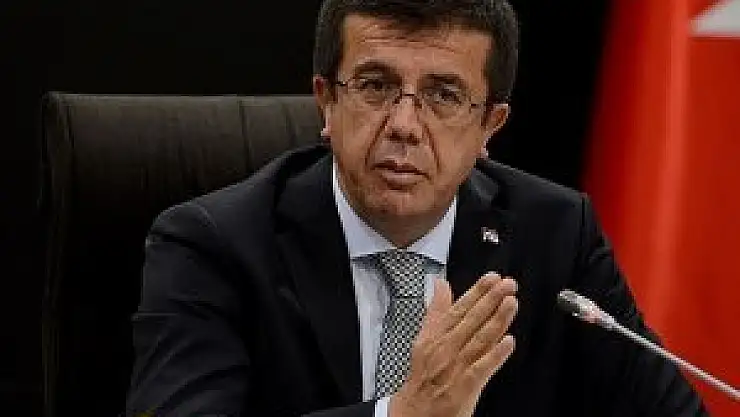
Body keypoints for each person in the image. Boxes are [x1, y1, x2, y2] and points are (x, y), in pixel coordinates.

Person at [125, 0, 709, 416]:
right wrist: (402, 414)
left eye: (443, 95)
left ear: (490, 125)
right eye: (375, 86)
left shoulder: (554, 236)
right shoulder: (213, 244)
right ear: (326, 101)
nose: (404, 125)